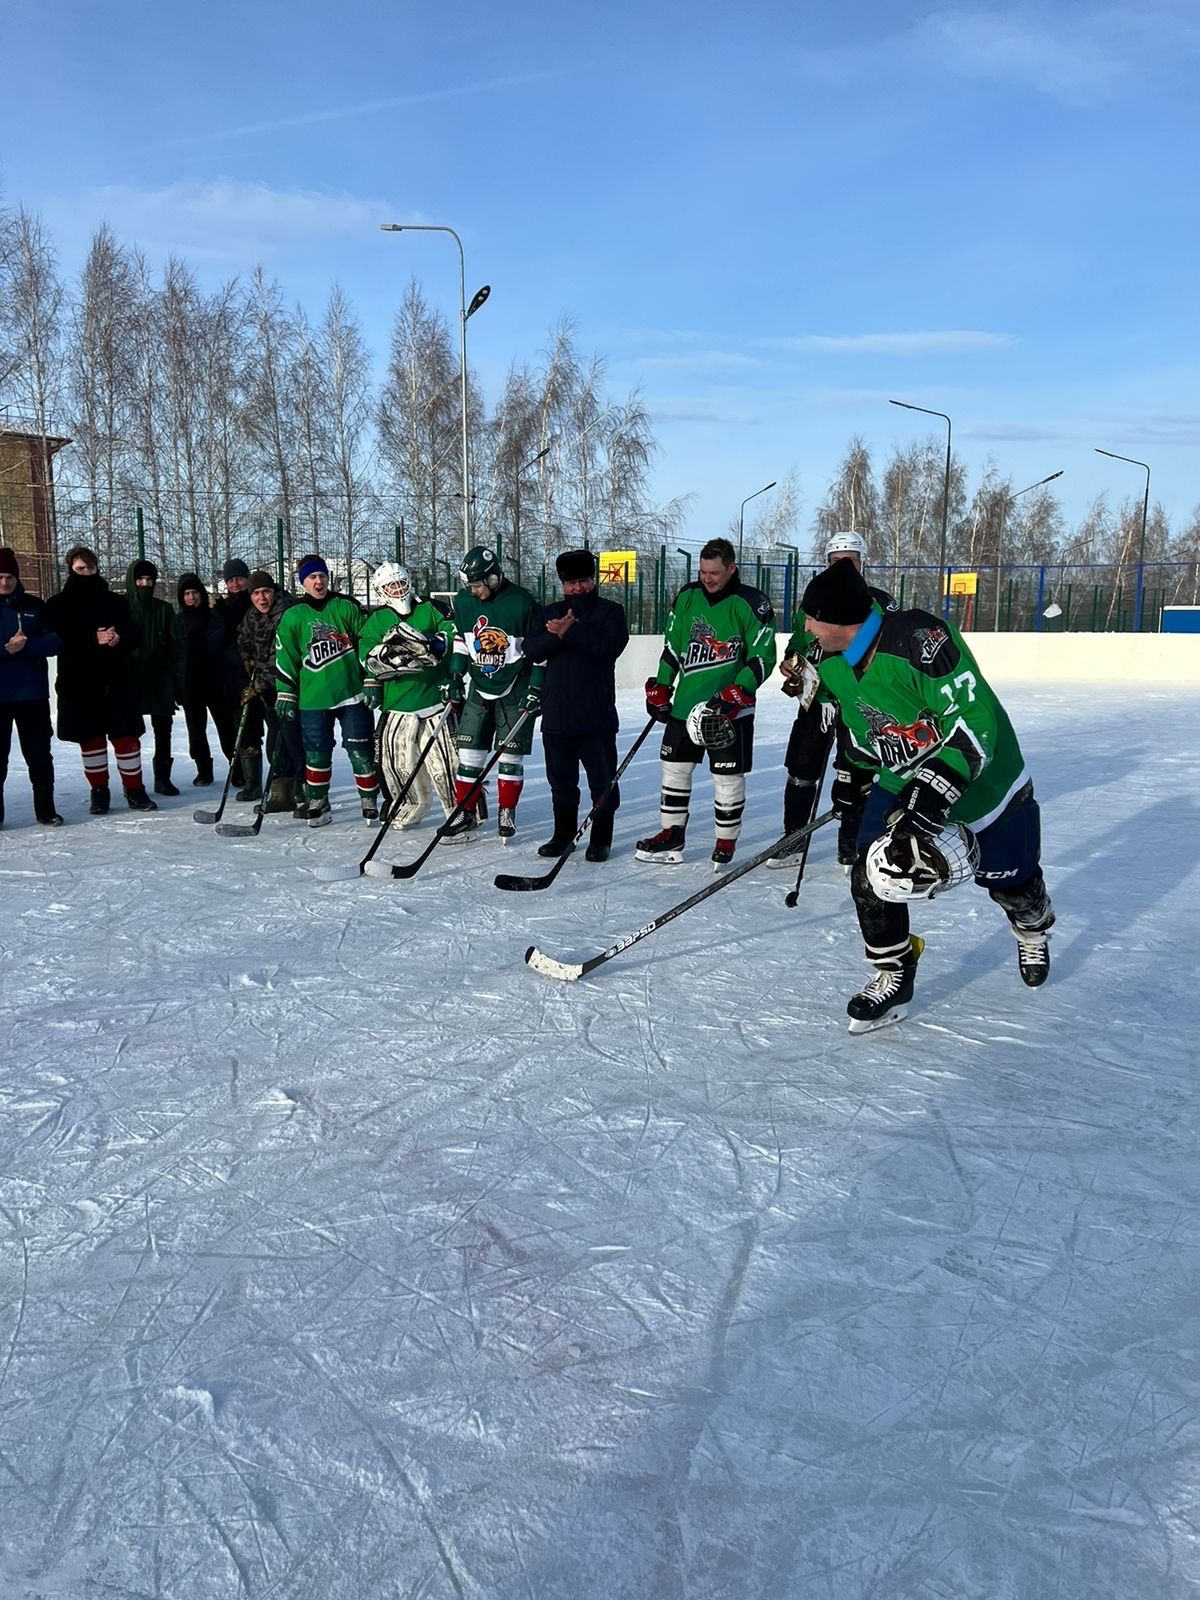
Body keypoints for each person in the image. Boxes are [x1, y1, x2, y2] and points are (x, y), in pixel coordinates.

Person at [800, 558, 1055, 1032]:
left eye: (813, 618)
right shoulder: (830, 663)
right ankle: (895, 973)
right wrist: (853, 781)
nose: (807, 627)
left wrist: (933, 791)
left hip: (987, 784)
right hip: (902, 779)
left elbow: (978, 724)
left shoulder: (921, 640)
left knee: (1010, 882)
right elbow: (864, 732)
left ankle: (1031, 927)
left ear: (842, 622)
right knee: (871, 874)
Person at [636, 536, 776, 866]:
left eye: (714, 572)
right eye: (703, 571)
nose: (707, 578)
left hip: (729, 712)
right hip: (686, 706)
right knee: (674, 770)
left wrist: (740, 689)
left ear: (732, 569)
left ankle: (725, 841)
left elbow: (763, 656)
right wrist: (661, 685)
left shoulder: (751, 603)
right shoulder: (687, 597)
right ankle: (672, 832)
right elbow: (673, 648)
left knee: (727, 778)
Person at [772, 530, 895, 871]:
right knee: (801, 767)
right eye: (835, 562)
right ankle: (793, 838)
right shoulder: (813, 599)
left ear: (862, 563)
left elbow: (866, 656)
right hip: (816, 700)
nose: (842, 568)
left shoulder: (878, 604)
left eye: (849, 562)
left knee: (855, 772)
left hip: (856, 704)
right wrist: (792, 664)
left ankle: (852, 844)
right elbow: (800, 642)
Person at [522, 548, 629, 862]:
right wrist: (557, 634)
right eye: (571, 583)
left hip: (596, 717)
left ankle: (600, 839)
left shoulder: (611, 611)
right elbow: (531, 649)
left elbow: (609, 648)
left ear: (593, 580)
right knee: (561, 783)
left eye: (583, 581)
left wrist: (571, 631)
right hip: (556, 717)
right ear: (562, 584)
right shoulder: (549, 613)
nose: (578, 588)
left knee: (602, 782)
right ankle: (563, 835)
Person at [44, 545, 156, 813]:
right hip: (80, 682)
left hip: (116, 680)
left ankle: (135, 790)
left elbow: (134, 635)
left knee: (126, 738)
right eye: (81, 569)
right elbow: (56, 641)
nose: (86, 573)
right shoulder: (58, 605)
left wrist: (120, 639)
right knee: (91, 739)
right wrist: (91, 639)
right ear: (70, 569)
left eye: (91, 568)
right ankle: (99, 791)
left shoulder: (116, 602)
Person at [274, 553, 379, 826]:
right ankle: (318, 801)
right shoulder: (293, 616)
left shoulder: (345, 607)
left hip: (351, 694)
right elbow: (285, 657)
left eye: (322, 576)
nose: (318, 581)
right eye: (312, 577)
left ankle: (369, 800)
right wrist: (286, 693)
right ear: (303, 583)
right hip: (313, 698)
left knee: (361, 750)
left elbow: (368, 640)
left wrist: (370, 677)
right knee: (316, 753)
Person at [448, 544, 544, 840]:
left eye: (477, 584)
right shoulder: (464, 601)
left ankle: (507, 811)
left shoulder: (522, 602)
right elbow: (462, 642)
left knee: (509, 756)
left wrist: (536, 686)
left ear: (492, 578)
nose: (473, 591)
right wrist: (455, 676)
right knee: (469, 753)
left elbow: (540, 651)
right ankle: (465, 811)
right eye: (469, 585)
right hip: (480, 684)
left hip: (516, 686)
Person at [359, 562, 457, 829]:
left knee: (446, 762)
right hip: (397, 704)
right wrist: (388, 659)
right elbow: (367, 656)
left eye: (401, 582)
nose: (398, 589)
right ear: (381, 590)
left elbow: (452, 635)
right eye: (391, 585)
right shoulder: (376, 620)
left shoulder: (432, 608)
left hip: (435, 699)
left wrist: (433, 644)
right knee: (398, 762)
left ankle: (458, 808)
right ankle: (410, 803)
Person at [0, 545, 61, 827]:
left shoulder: (35, 606)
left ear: (17, 577)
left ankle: (46, 810)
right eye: (0, 576)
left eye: (9, 576)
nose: (4, 582)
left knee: (38, 754)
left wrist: (27, 645)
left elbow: (55, 641)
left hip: (32, 694)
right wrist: (6, 649)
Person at [237, 570, 303, 813]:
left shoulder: (287, 613)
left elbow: (282, 657)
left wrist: (258, 684)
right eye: (255, 593)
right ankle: (282, 792)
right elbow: (243, 639)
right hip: (269, 692)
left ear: (274, 592)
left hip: (291, 687)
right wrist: (248, 660)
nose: (261, 598)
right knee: (277, 738)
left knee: (290, 738)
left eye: (265, 592)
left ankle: (302, 786)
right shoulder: (251, 616)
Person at [125, 559, 181, 796]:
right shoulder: (122, 607)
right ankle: (132, 782)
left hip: (160, 677)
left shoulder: (163, 609)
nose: (144, 584)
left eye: (149, 580)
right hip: (131, 678)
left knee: (163, 729)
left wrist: (165, 665)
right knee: (130, 731)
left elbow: (175, 643)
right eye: (140, 579)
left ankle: (162, 777)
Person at [174, 573, 234, 786]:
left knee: (226, 727)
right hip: (189, 685)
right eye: (187, 594)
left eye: (195, 592)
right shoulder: (178, 622)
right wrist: (176, 686)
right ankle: (203, 770)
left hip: (216, 682)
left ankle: (236, 769)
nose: (191, 597)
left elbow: (220, 646)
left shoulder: (215, 617)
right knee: (195, 730)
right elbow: (174, 655)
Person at [210, 557, 254, 793]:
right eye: (231, 580)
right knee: (241, 730)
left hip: (260, 675)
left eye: (240, 578)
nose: (236, 584)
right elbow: (216, 644)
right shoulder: (222, 610)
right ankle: (243, 775)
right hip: (233, 678)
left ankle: (284, 781)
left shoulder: (257, 602)